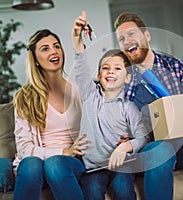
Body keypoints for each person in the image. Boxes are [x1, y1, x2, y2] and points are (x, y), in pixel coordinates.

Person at [114, 13, 183, 200]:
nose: (127, 41)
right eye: (121, 38)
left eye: (132, 34)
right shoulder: (123, 80)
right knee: (160, 150)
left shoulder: (176, 67)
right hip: (153, 149)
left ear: (147, 35)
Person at [72, 11, 150, 200]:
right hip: (93, 169)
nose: (110, 72)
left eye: (117, 69)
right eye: (105, 68)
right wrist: (77, 38)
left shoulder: (129, 107)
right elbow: (81, 66)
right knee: (91, 192)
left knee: (123, 189)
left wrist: (126, 147)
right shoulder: (90, 95)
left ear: (127, 77)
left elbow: (143, 137)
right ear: (99, 76)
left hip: (123, 166)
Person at [13, 29, 88, 200]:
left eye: (56, 46)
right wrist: (63, 150)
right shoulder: (25, 98)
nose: (53, 51)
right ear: (36, 59)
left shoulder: (79, 89)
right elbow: (24, 148)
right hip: (37, 167)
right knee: (31, 163)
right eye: (45, 49)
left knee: (55, 164)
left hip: (69, 165)